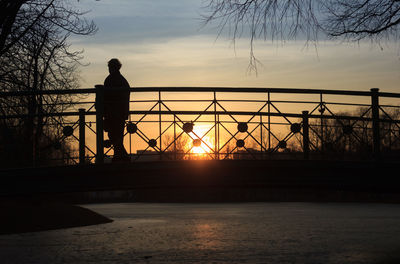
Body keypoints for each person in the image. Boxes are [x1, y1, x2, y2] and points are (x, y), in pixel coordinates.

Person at [103, 58, 130, 162]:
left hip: (112, 112)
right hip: (120, 112)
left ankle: (122, 157)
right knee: (118, 136)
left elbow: (106, 96)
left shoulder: (110, 79)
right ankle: (120, 157)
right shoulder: (122, 80)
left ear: (112, 67)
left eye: (109, 67)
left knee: (113, 136)